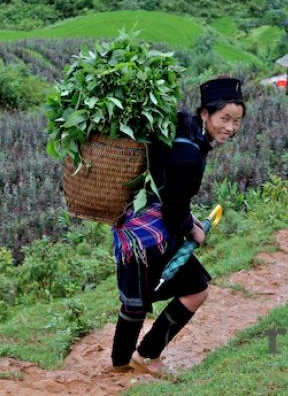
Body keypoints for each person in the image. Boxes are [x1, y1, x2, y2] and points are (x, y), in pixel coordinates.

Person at [109, 76, 246, 378]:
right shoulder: (190, 155)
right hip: (150, 236)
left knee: (136, 295)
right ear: (205, 114)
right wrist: (192, 229)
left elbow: (170, 191)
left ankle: (120, 362)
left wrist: (186, 217)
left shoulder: (181, 126)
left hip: (129, 225)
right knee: (196, 289)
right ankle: (148, 355)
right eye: (225, 118)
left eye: (237, 121)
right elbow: (172, 208)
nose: (231, 127)